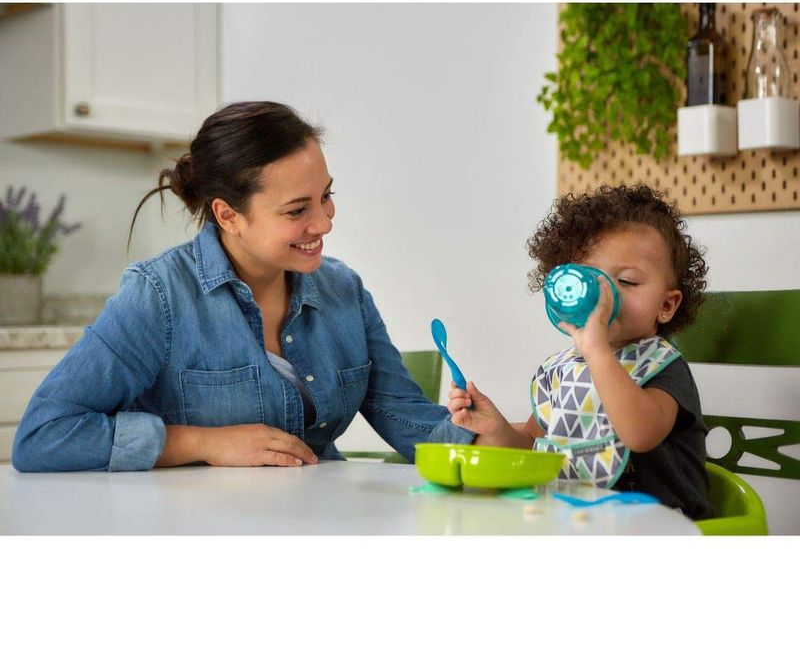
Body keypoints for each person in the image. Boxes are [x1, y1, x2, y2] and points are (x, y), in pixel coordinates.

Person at [12, 101, 477, 472]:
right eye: (297, 210)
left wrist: (502, 433)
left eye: (326, 196)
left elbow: (420, 430)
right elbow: (43, 435)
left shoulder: (344, 290)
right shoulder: (159, 296)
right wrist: (204, 443)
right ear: (228, 215)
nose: (323, 223)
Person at [447, 183, 716, 520]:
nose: (604, 295)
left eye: (627, 281)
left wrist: (597, 351)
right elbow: (533, 444)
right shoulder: (564, 371)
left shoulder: (663, 366)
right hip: (582, 519)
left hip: (665, 526)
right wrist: (497, 429)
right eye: (589, 280)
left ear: (666, 305)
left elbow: (639, 435)